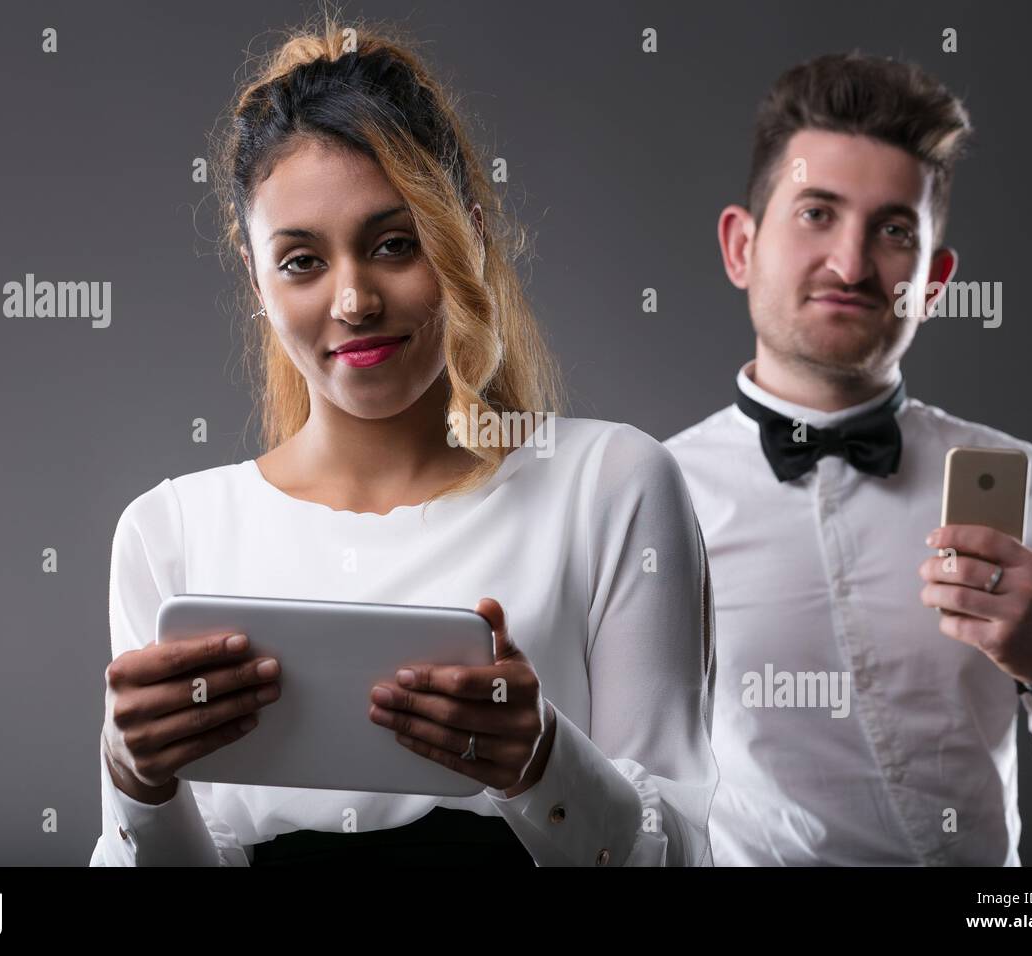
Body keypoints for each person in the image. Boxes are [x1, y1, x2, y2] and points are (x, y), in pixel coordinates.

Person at [89, 16, 716, 867]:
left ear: (469, 236)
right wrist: (137, 785)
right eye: (302, 261)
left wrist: (543, 764)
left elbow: (681, 853)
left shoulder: (613, 485)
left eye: (395, 244)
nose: (354, 301)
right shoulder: (171, 533)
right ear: (253, 275)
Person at [665, 52, 1032, 865]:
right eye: (816, 213)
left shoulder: (1031, 492)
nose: (851, 265)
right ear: (740, 245)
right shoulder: (652, 499)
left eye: (894, 231)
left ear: (933, 282)